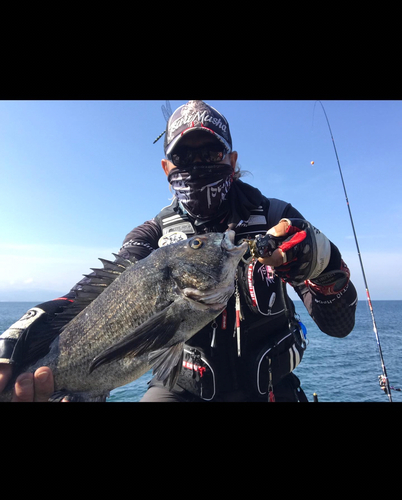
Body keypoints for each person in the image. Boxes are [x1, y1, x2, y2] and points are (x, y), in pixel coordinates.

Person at [0, 100, 357, 402]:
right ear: (167, 169)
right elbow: (100, 292)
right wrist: (29, 331)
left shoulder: (278, 220)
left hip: (272, 388)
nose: (198, 164)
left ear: (232, 161)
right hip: (179, 388)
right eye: (184, 157)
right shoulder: (151, 234)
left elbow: (339, 325)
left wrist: (324, 266)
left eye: (210, 153)